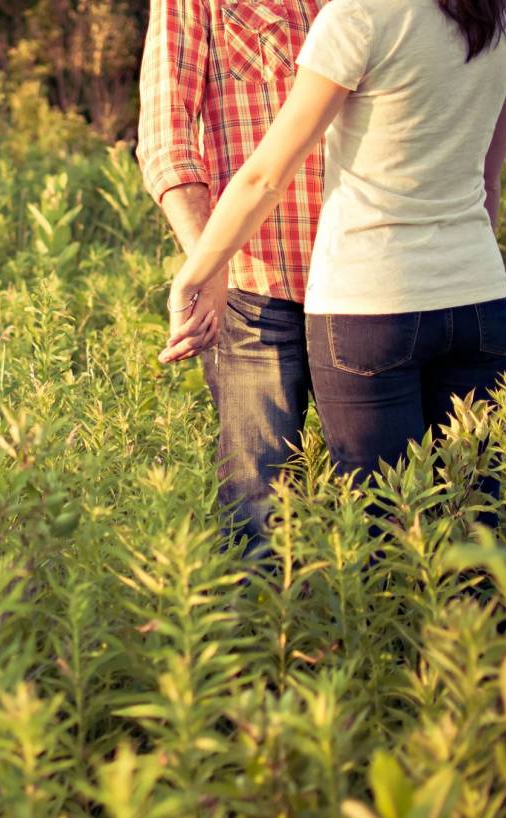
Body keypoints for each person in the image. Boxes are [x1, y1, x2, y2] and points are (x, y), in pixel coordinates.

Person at [160, 0, 506, 500]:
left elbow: (265, 178)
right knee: (472, 513)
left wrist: (193, 275)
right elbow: (490, 183)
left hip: (371, 303)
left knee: (385, 522)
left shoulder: (359, 15)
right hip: (480, 300)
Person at [137, 0, 327, 554]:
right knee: (258, 517)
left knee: (384, 502)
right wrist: (210, 262)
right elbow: (165, 139)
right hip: (254, 294)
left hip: (364, 290)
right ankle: (265, 636)